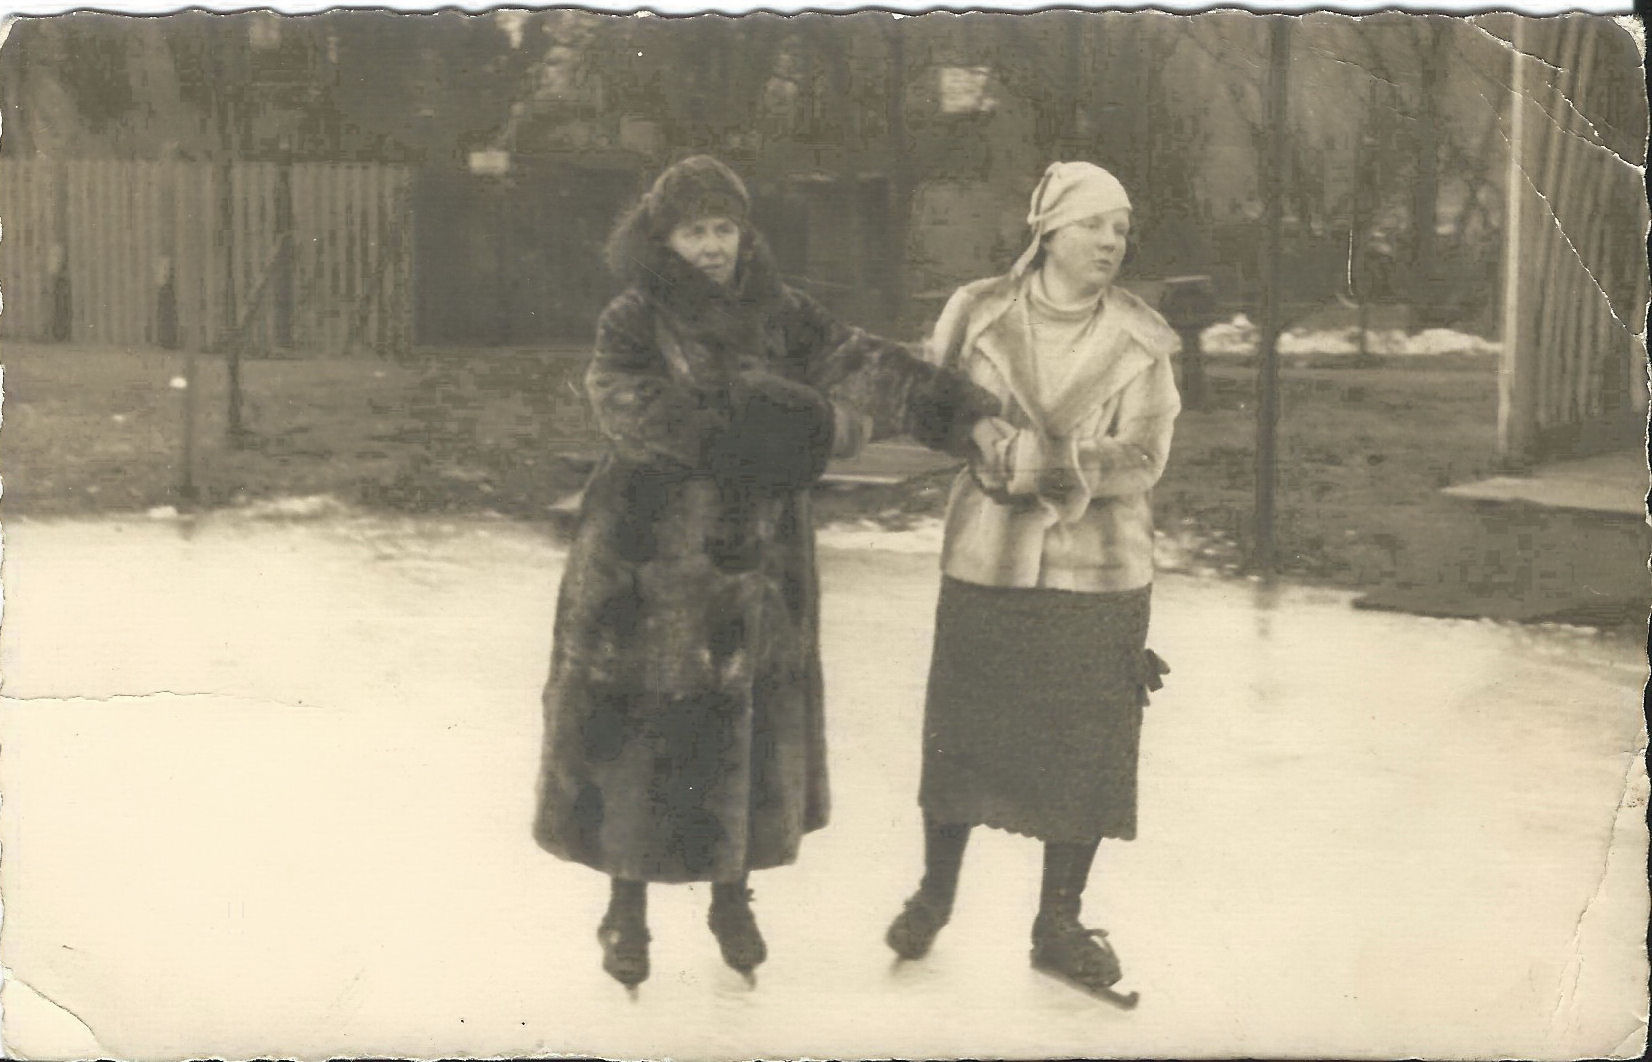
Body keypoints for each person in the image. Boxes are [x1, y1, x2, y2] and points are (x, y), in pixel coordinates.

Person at [532, 155, 995, 992]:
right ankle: (626, 910)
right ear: (663, 237)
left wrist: (963, 416)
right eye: (695, 231)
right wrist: (793, 425)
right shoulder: (633, 317)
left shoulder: (783, 315)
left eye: (725, 228)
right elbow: (633, 408)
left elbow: (865, 364)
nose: (713, 246)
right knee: (641, 733)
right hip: (649, 561)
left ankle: (730, 898)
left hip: (756, 563)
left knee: (739, 728)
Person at [883, 161, 1179, 1007]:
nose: (1111, 243)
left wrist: (1032, 460)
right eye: (1095, 225)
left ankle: (1058, 922)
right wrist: (974, 431)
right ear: (1049, 229)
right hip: (988, 560)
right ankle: (935, 894)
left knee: (1085, 751)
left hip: (1100, 573)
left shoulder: (1143, 338)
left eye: (1121, 230)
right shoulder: (977, 312)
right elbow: (926, 405)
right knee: (962, 734)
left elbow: (1145, 456)